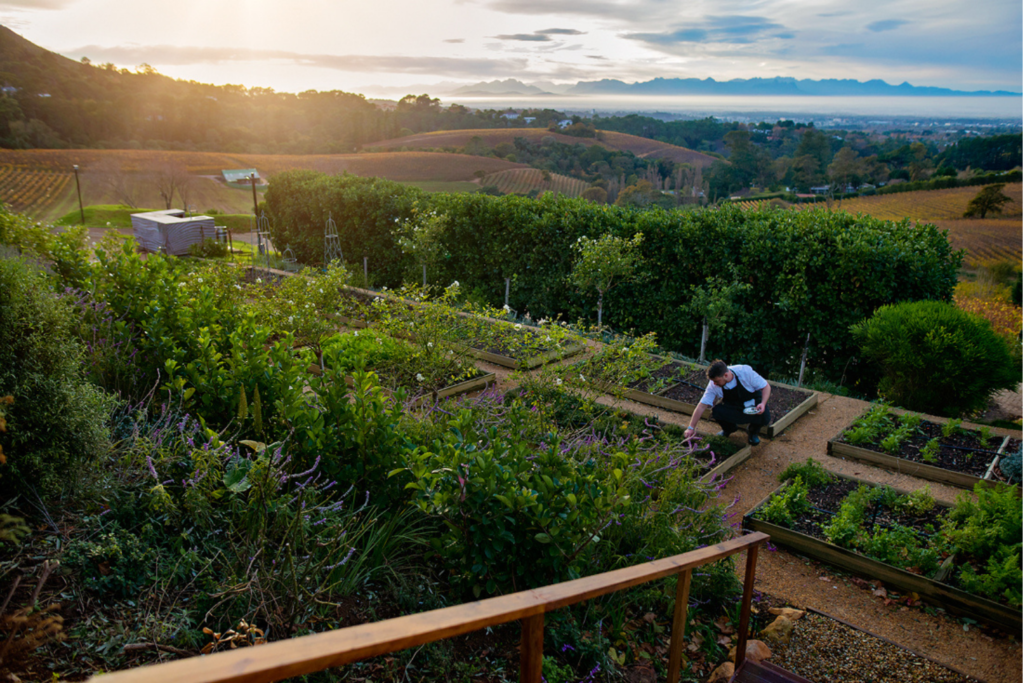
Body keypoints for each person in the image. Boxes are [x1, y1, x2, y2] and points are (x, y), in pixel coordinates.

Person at [683, 359, 771, 446]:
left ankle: (753, 432)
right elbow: (702, 405)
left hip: (752, 402)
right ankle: (729, 429)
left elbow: (766, 386)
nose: (714, 384)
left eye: (716, 381)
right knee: (717, 411)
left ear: (725, 375)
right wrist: (691, 427)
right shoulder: (713, 384)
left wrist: (763, 403)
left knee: (764, 416)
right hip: (734, 405)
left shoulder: (744, 372)